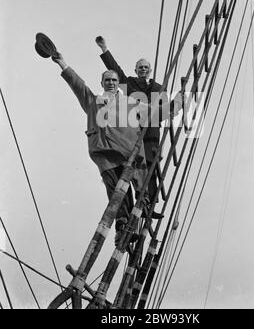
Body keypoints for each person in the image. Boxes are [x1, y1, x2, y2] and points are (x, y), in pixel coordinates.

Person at [50, 50, 183, 246]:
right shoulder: (93, 101)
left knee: (139, 190)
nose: (111, 83)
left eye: (114, 80)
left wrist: (179, 100)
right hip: (105, 154)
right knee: (116, 195)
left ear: (117, 83)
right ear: (102, 83)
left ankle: (139, 212)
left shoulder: (131, 103)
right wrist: (62, 63)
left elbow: (157, 114)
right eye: (107, 80)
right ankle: (122, 229)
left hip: (130, 154)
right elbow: (77, 85)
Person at [96, 36, 167, 219]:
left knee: (150, 168)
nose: (143, 70)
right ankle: (129, 208)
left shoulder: (159, 88)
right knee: (133, 167)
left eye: (146, 67)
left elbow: (165, 111)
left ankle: (148, 206)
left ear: (150, 71)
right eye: (140, 67)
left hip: (152, 132)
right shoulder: (130, 84)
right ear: (135, 70)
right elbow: (116, 70)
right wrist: (105, 49)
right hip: (133, 133)